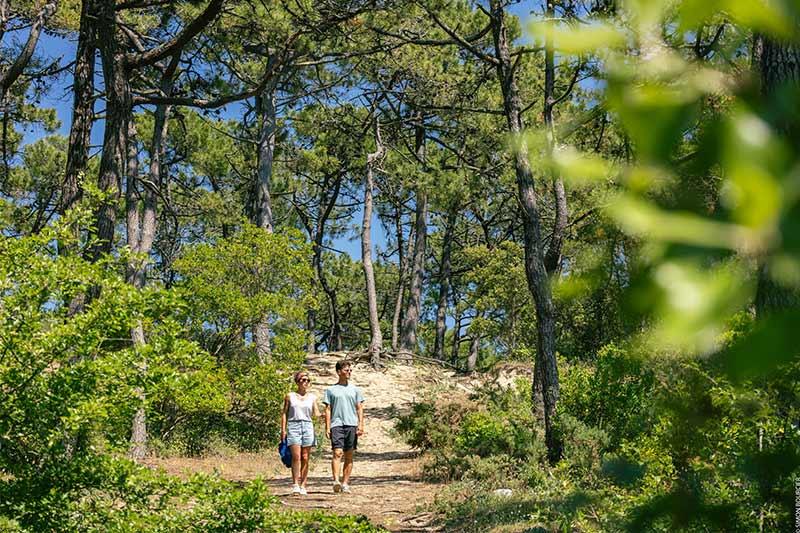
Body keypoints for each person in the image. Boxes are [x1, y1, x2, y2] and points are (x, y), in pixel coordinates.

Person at [323, 360, 364, 494]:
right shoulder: (330, 390)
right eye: (346, 370)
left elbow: (359, 407)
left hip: (351, 424)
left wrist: (361, 424)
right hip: (336, 424)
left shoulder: (355, 389)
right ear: (339, 372)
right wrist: (327, 427)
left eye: (350, 370)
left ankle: (345, 483)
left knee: (349, 454)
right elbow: (328, 409)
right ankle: (336, 481)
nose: (349, 373)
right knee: (337, 452)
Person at [280, 370, 320, 496]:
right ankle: (295, 484)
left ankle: (303, 484)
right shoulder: (290, 396)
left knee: (305, 457)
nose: (306, 382)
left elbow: (316, 414)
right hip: (294, 425)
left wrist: (327, 414)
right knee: (296, 456)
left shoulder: (312, 397)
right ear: (297, 382)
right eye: (303, 380)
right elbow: (284, 413)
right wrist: (283, 429)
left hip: (307, 426)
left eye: (308, 380)